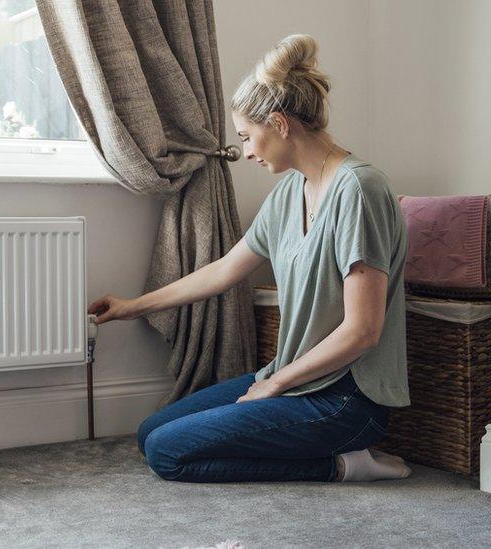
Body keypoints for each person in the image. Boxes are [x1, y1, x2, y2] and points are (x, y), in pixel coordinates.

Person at [88, 34, 413, 483]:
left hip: (344, 400)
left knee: (167, 454)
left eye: (247, 136)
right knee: (150, 433)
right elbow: (224, 270)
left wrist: (274, 386)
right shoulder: (286, 195)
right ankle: (327, 447)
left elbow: (363, 331)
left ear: (279, 124)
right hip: (293, 379)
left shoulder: (359, 190)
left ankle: (344, 464)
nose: (246, 152)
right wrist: (132, 306)